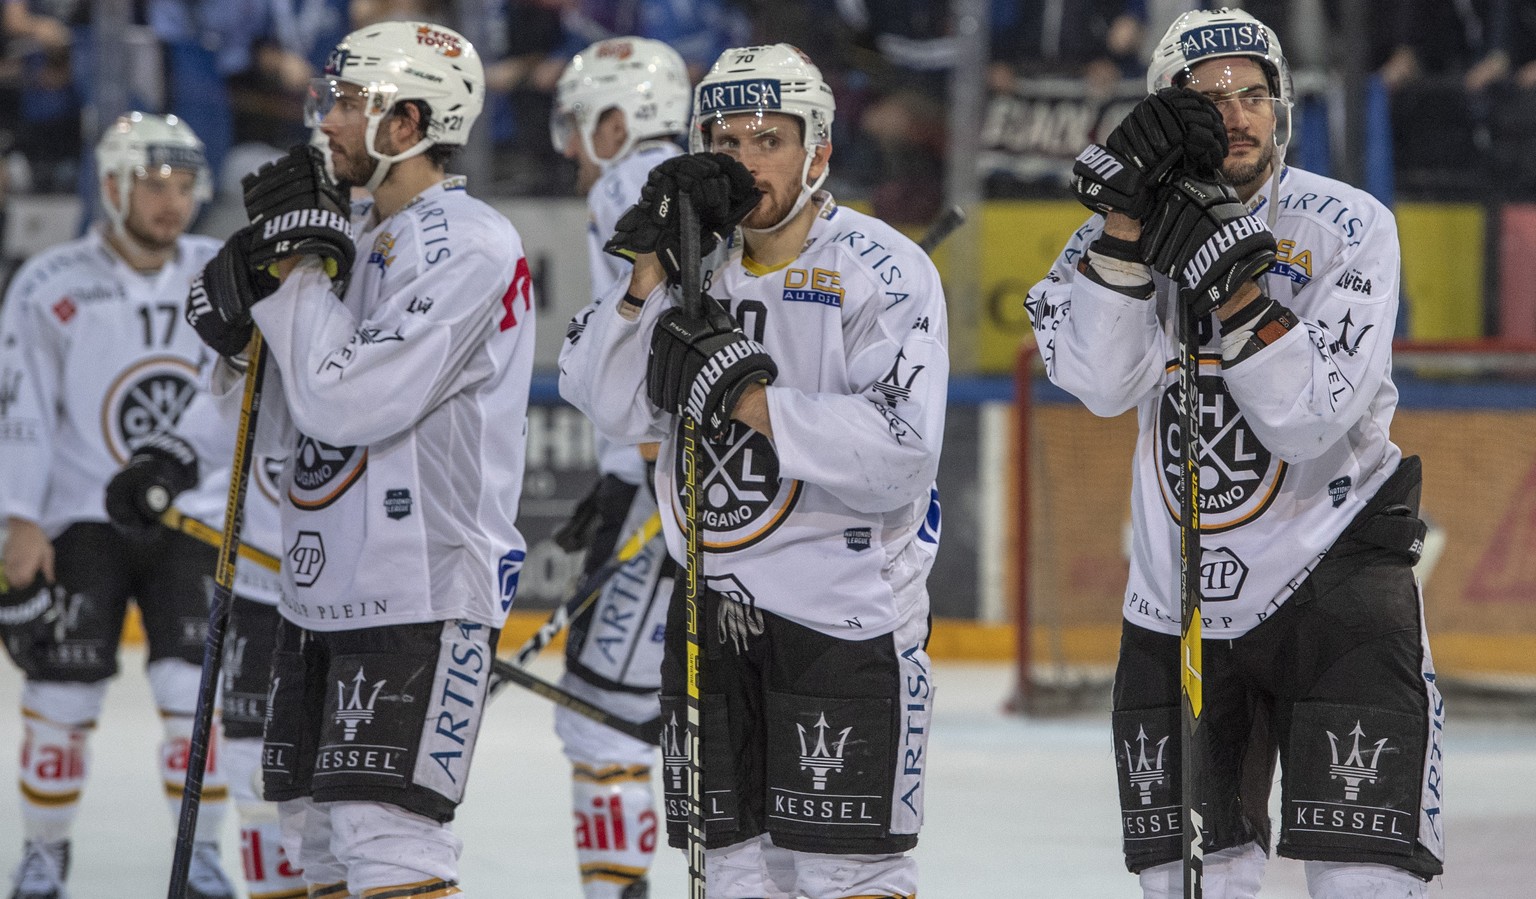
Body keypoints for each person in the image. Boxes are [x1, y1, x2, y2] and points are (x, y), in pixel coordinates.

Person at [1026, 7, 1445, 898]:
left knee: (1364, 882)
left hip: (1335, 588)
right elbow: (1101, 384)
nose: (1236, 113)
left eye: (1252, 92)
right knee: (1190, 885)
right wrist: (1130, 234)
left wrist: (1236, 286)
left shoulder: (1350, 226)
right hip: (1175, 598)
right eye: (1207, 98)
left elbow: (1307, 419)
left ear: (1282, 103)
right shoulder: (1108, 235)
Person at [560, 42, 948, 898]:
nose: (744, 161)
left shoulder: (884, 270)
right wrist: (647, 276)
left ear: (819, 152)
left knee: (850, 872)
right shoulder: (686, 265)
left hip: (845, 619)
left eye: (768, 139)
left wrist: (754, 403)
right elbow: (603, 399)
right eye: (725, 141)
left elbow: (903, 451)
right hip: (711, 612)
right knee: (733, 873)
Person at [182, 20, 536, 898]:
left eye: (348, 103)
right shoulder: (356, 234)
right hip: (319, 590)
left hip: (422, 586)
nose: (326, 123)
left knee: (390, 844)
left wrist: (295, 272)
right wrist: (238, 334)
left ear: (408, 125)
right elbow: (281, 427)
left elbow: (353, 399)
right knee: (321, 850)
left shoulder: (469, 243)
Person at [0, 112, 237, 899]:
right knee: (58, 692)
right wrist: (20, 519)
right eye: (152, 185)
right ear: (111, 187)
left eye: (182, 186)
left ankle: (200, 853)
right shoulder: (49, 281)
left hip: (192, 515)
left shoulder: (220, 272)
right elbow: (21, 408)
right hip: (82, 516)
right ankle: (43, 851)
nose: (171, 203)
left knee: (190, 694)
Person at [549, 36, 690, 899]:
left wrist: (644, 467)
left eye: (579, 124)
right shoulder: (692, 171)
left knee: (601, 715)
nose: (571, 146)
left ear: (616, 120)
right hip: (677, 485)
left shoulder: (625, 185)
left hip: (663, 490)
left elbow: (650, 334)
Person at [103, 364, 304, 898]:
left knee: (359, 806)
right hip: (266, 589)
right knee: (256, 773)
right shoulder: (260, 295)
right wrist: (165, 464)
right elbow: (227, 409)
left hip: (368, 597)